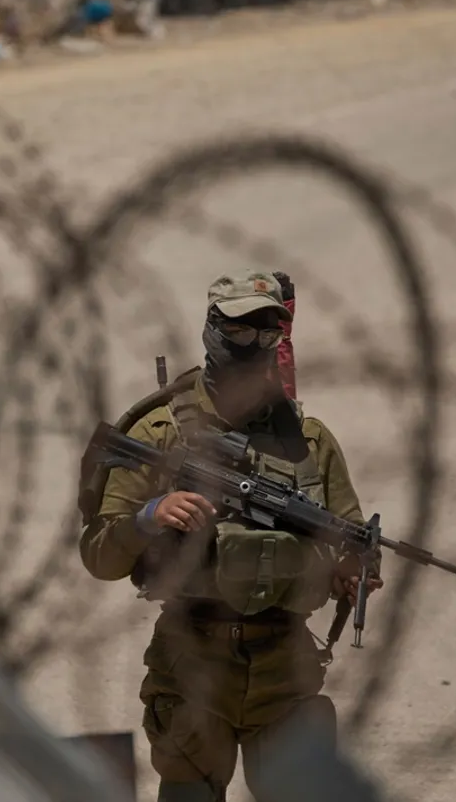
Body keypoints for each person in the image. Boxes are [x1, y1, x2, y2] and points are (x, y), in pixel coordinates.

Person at [79, 269, 379, 802]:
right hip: (191, 664)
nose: (256, 343)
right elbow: (100, 556)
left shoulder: (308, 441)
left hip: (286, 668)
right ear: (214, 329)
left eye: (268, 333)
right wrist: (151, 515)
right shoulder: (160, 432)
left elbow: (350, 538)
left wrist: (352, 574)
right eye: (242, 330)